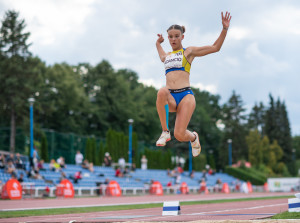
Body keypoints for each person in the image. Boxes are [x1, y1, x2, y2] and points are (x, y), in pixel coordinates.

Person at [155, 12, 232, 157]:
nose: (173, 39)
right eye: (170, 36)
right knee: (161, 92)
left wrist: (224, 29)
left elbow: (215, 47)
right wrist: (158, 43)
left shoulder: (188, 52)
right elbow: (160, 53)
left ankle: (194, 137)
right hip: (171, 97)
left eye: (176, 36)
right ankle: (165, 132)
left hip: (185, 96)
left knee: (179, 135)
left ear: (182, 37)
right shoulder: (166, 57)